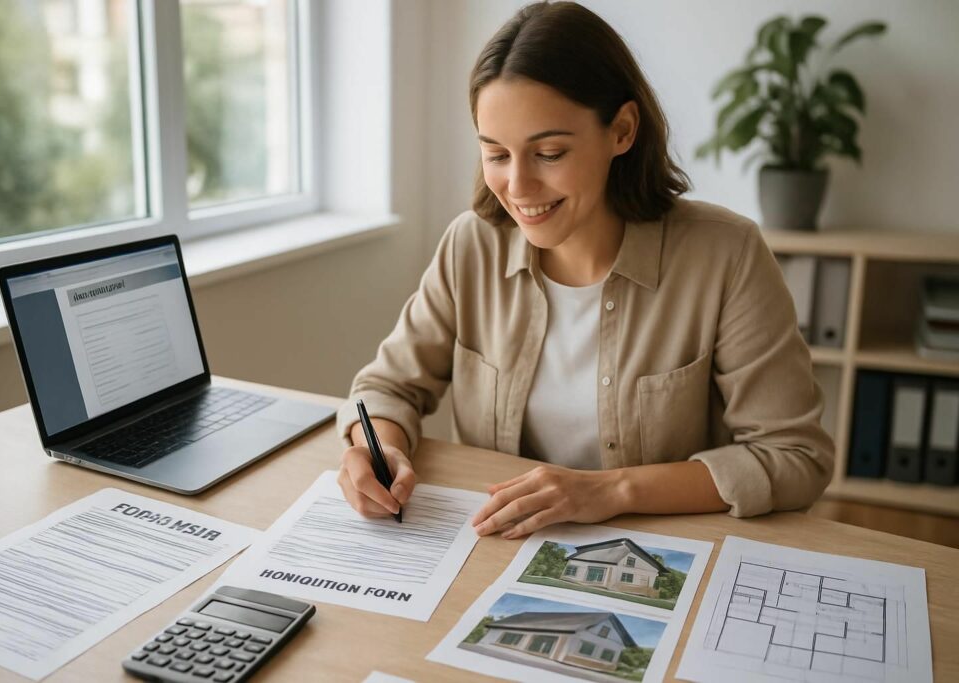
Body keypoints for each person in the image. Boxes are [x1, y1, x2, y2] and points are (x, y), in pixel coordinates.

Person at [335, 1, 834, 539]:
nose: (518, 188)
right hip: (498, 549)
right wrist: (377, 446)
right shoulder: (470, 245)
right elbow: (387, 388)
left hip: (664, 552)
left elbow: (795, 457)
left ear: (622, 131)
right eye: (497, 154)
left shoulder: (726, 254)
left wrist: (611, 490)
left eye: (548, 153)